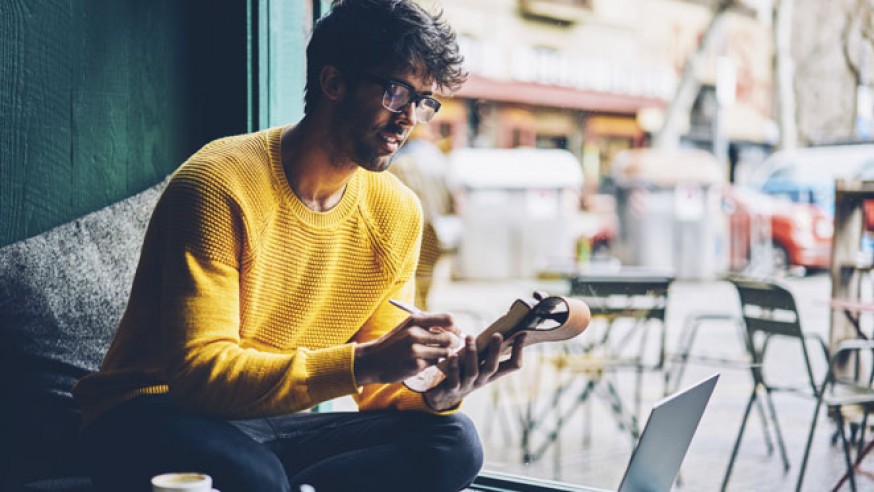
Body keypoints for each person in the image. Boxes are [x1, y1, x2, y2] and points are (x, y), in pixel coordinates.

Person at [72, 1, 527, 491]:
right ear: (334, 83)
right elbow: (200, 376)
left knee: (454, 441)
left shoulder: (397, 212)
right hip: (148, 412)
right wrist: (369, 360)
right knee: (255, 475)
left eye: (423, 101)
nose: (409, 119)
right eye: (397, 93)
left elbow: (380, 393)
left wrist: (437, 390)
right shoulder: (219, 182)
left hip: (269, 421)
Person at [389, 124, 458, 310]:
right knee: (426, 275)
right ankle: (423, 311)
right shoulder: (440, 161)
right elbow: (453, 199)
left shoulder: (400, 162)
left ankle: (414, 315)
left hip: (410, 227)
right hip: (435, 228)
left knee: (409, 277)